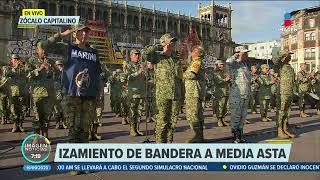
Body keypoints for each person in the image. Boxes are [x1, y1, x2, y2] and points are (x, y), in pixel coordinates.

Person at [142, 33, 179, 143]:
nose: (172, 43)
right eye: (170, 41)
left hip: (175, 96)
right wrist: (159, 46)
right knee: (161, 122)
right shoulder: (157, 57)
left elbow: (179, 78)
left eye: (173, 41)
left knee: (172, 123)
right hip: (161, 95)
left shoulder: (175, 59)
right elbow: (145, 53)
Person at [28, 42, 55, 142]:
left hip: (49, 93)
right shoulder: (31, 61)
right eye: (41, 49)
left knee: (47, 116)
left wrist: (49, 70)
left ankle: (45, 136)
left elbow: (55, 76)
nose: (44, 51)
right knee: (37, 116)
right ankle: (36, 137)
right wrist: (40, 68)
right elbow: (28, 75)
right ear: (37, 50)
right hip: (37, 94)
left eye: (45, 49)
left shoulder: (50, 61)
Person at [226, 49, 251, 143]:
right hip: (237, 94)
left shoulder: (244, 65)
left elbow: (247, 80)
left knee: (243, 116)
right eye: (245, 53)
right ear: (240, 53)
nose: (247, 55)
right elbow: (228, 62)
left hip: (245, 94)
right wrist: (236, 55)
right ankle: (235, 136)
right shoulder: (234, 64)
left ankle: (240, 135)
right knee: (236, 115)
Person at [184, 45, 206, 143]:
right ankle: (200, 136)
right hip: (196, 91)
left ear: (199, 53)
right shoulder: (195, 61)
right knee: (198, 114)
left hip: (193, 91)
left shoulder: (196, 61)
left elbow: (192, 75)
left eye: (194, 50)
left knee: (192, 115)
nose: (192, 51)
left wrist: (181, 75)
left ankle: (197, 135)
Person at [272, 50, 296, 139]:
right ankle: (279, 130)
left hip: (289, 92)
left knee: (287, 112)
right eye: (288, 55)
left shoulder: (290, 67)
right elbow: (275, 60)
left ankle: (285, 129)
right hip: (282, 92)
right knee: (281, 111)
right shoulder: (280, 65)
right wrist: (282, 54)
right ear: (284, 57)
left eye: (290, 55)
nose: (290, 56)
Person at [126, 49, 145, 136]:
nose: (137, 56)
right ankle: (132, 129)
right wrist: (138, 73)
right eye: (135, 54)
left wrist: (145, 73)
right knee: (132, 112)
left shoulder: (141, 66)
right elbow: (128, 77)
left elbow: (145, 78)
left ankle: (137, 129)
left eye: (138, 55)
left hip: (141, 92)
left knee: (139, 112)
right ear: (131, 56)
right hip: (133, 93)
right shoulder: (128, 66)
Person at [213, 60, 231, 127]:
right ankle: (219, 120)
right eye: (220, 64)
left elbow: (227, 81)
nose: (222, 66)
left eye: (223, 64)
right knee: (220, 107)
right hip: (219, 92)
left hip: (226, 91)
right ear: (216, 65)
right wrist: (226, 79)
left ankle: (223, 119)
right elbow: (218, 81)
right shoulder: (215, 73)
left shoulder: (224, 73)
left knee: (225, 107)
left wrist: (229, 80)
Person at [53, 60, 67, 129]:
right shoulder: (53, 73)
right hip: (56, 93)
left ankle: (64, 122)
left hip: (63, 92)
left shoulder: (65, 72)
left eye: (60, 65)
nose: (59, 66)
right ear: (55, 66)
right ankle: (57, 123)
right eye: (58, 65)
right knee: (56, 109)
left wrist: (63, 72)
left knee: (64, 109)